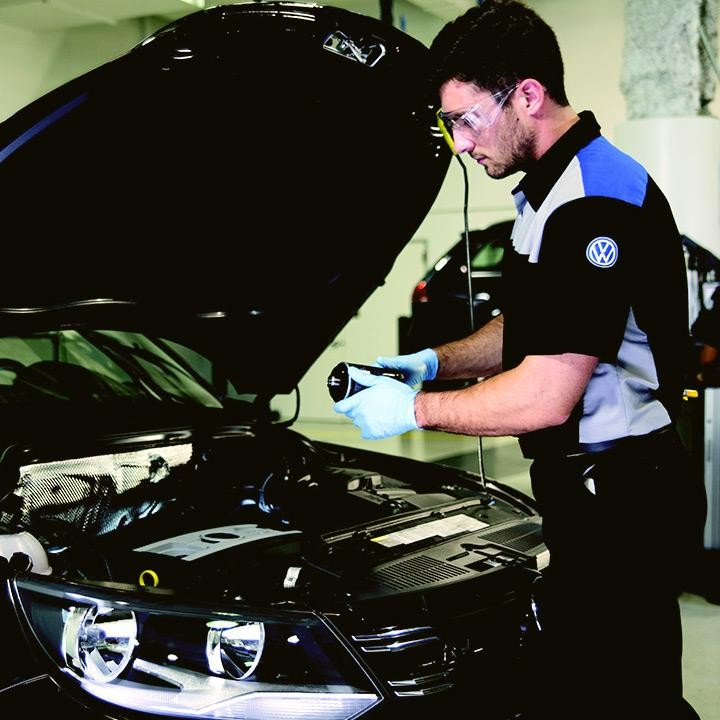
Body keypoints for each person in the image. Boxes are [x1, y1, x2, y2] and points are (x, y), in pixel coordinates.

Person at [333, 1, 707, 718]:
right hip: (585, 489)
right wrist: (433, 364)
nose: (460, 143)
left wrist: (411, 411)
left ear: (527, 95)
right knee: (583, 681)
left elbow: (545, 394)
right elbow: (528, 326)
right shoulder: (545, 195)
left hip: (625, 491)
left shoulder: (594, 200)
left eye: (466, 118)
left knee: (626, 695)